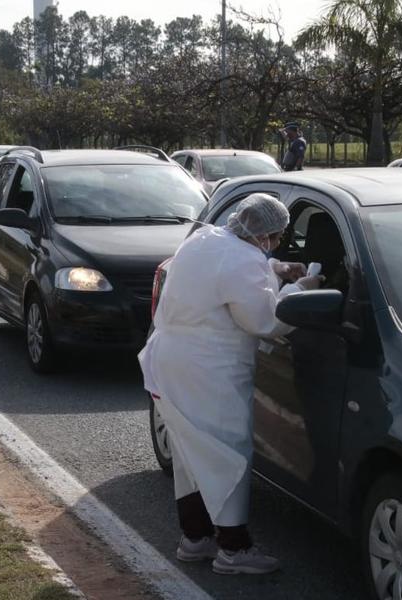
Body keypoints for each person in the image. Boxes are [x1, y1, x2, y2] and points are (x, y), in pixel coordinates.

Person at [138, 194, 323, 576]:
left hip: (172, 359)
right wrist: (301, 289)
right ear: (264, 234)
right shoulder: (242, 259)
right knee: (227, 453)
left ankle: (195, 538)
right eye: (276, 237)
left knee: (191, 454)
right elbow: (264, 320)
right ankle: (233, 549)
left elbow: (223, 276)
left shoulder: (205, 238)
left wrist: (275, 267)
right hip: (210, 369)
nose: (276, 243)